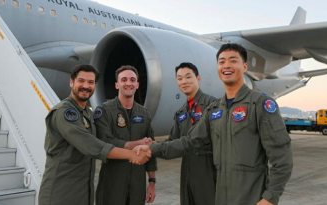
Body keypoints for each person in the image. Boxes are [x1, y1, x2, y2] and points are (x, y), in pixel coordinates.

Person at [138, 44, 293, 205]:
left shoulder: (260, 104)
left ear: (245, 67)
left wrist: (270, 198)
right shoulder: (214, 110)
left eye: (233, 60)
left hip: (251, 198)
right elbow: (190, 142)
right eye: (222, 61)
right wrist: (152, 149)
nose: (226, 65)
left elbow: (282, 158)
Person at [38, 64, 151, 205]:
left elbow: (105, 139)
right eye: (81, 81)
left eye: (90, 82)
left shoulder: (88, 114)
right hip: (61, 192)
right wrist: (132, 154)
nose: (86, 86)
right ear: (71, 82)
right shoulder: (65, 113)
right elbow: (91, 145)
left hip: (83, 191)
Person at [94, 65, 157, 205]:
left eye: (132, 80)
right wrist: (138, 143)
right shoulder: (104, 111)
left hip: (137, 183)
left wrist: (152, 182)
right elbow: (105, 142)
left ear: (137, 84)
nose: (128, 83)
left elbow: (150, 149)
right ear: (117, 84)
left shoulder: (144, 113)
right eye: (124, 79)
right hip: (113, 181)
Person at [167, 62, 216, 205]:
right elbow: (172, 143)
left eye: (188, 77)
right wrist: (150, 146)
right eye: (180, 78)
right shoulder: (181, 113)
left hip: (208, 171)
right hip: (187, 171)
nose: (184, 82)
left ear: (198, 78)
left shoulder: (212, 106)